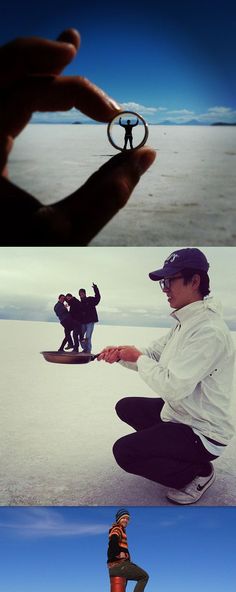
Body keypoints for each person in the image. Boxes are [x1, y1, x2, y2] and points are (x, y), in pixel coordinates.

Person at [98, 248, 235, 504]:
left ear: (194, 281)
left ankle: (197, 472)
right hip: (183, 413)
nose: (165, 288)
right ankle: (173, 453)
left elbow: (173, 388)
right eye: (164, 281)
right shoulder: (186, 323)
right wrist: (120, 354)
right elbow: (151, 354)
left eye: (169, 280)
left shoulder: (208, 331)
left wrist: (137, 358)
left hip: (203, 430)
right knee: (126, 407)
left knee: (125, 452)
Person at [0, 30, 156, 246]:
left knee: (129, 143)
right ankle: (128, 147)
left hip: (129, 134)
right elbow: (128, 123)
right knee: (129, 143)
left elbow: (129, 123)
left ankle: (128, 147)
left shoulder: (130, 124)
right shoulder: (128, 124)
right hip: (128, 135)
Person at [107, 508, 149, 592]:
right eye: (124, 518)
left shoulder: (120, 530)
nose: (126, 520)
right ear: (118, 519)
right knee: (144, 576)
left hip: (114, 568)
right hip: (120, 565)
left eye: (128, 519)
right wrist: (117, 554)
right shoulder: (117, 529)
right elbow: (112, 542)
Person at [79, 283, 101, 352]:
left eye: (82, 293)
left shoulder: (90, 299)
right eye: (80, 294)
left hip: (90, 322)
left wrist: (95, 288)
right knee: (81, 336)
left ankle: (88, 350)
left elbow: (97, 298)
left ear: (85, 293)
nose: (81, 294)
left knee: (88, 336)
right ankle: (85, 348)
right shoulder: (79, 303)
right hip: (83, 322)